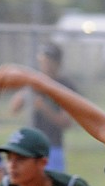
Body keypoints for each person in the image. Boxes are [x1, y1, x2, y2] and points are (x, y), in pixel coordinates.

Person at [9, 42, 77, 173]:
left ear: (58, 63)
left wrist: (44, 107)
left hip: (53, 147)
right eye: (43, 60)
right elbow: (14, 108)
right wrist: (27, 88)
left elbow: (66, 122)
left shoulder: (65, 85)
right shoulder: (36, 82)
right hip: (31, 148)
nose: (45, 64)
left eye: (49, 61)